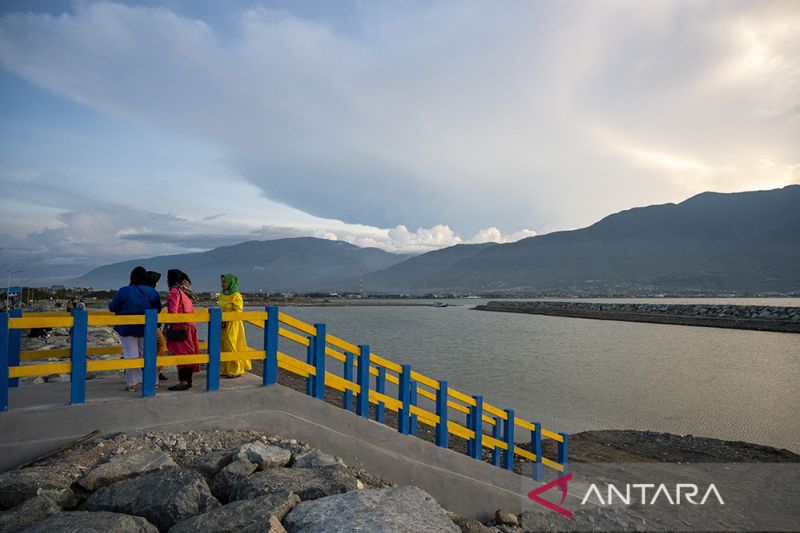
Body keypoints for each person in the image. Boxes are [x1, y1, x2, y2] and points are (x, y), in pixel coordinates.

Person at [108, 266, 161, 392]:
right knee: (148, 354)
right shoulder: (152, 292)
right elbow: (157, 309)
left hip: (127, 328)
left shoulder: (123, 291)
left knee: (131, 354)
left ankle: (132, 384)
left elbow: (112, 307)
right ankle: (153, 382)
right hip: (147, 328)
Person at [166, 269, 200, 391]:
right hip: (190, 326)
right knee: (190, 352)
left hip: (180, 327)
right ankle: (188, 380)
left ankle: (183, 382)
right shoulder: (184, 292)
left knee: (181, 354)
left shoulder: (174, 292)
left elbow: (173, 312)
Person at [219, 273, 252, 378]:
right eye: (222, 281)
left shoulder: (236, 295)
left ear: (230, 283)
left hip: (233, 323)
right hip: (222, 323)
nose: (222, 284)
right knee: (223, 344)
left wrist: (226, 316)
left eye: (225, 281)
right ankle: (224, 369)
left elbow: (238, 311)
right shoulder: (222, 294)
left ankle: (236, 369)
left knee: (230, 343)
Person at [145, 271, 169, 383]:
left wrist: (163, 305)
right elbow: (156, 308)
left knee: (153, 348)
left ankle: (157, 371)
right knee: (162, 344)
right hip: (153, 325)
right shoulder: (151, 292)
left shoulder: (143, 290)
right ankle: (156, 371)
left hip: (149, 324)